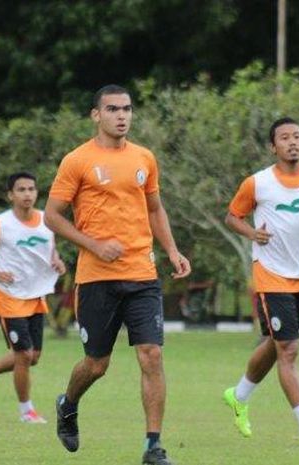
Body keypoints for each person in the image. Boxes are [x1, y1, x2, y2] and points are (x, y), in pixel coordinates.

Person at [45, 84, 191, 465]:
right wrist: (93, 245)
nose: (121, 115)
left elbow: (155, 208)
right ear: (96, 115)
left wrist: (172, 250)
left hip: (142, 273)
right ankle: (69, 403)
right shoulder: (76, 160)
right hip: (96, 278)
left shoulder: (145, 158)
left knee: (152, 354)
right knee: (97, 364)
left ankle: (153, 446)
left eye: (126, 109)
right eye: (112, 109)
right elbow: (52, 216)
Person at [222, 117, 299, 446]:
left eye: (297, 136)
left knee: (275, 342)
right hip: (272, 272)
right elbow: (233, 216)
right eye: (284, 138)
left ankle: (238, 395)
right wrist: (252, 233)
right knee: (289, 348)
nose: (292, 142)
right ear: (272, 146)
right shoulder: (258, 183)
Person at [0, 172, 66, 424]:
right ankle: (27, 412)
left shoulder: (48, 221)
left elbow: (50, 248)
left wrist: (56, 261)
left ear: (37, 193)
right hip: (9, 296)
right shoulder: (0, 224)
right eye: (21, 189)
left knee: (32, 357)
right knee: (23, 354)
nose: (27, 194)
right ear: (10, 195)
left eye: (31, 189)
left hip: (36, 295)